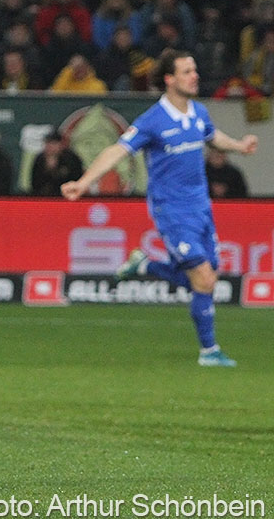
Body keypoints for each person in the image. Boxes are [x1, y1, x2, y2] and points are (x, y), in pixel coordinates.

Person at [62, 49, 258, 367]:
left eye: (194, 70)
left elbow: (211, 136)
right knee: (203, 279)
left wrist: (238, 145)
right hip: (172, 210)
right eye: (187, 71)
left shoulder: (198, 111)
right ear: (169, 79)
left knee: (207, 280)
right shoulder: (153, 120)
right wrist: (84, 182)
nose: (195, 76)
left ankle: (146, 266)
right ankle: (209, 352)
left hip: (201, 207)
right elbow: (117, 151)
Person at [30, 129, 84, 196]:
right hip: (44, 196)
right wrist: (47, 169)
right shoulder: (40, 159)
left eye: (54, 144)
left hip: (68, 195)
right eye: (48, 143)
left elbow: (77, 179)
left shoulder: (71, 158)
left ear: (61, 145)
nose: (50, 147)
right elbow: (35, 183)